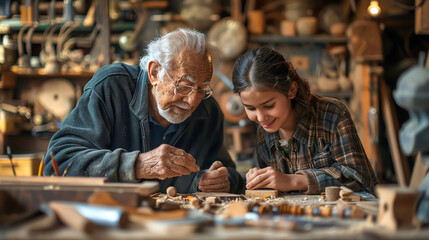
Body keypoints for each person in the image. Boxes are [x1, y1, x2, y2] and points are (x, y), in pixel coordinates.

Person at [43, 28, 244, 194]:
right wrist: (137, 165)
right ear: (154, 72)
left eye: (202, 88)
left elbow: (228, 172)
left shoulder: (208, 110)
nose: (192, 101)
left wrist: (221, 181)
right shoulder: (111, 87)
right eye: (184, 86)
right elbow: (57, 164)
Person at [232, 47, 377, 194]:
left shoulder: (332, 115)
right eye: (251, 108)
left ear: (291, 90)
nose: (261, 118)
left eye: (269, 106)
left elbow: (360, 180)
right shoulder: (264, 132)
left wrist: (293, 181)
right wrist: (258, 179)